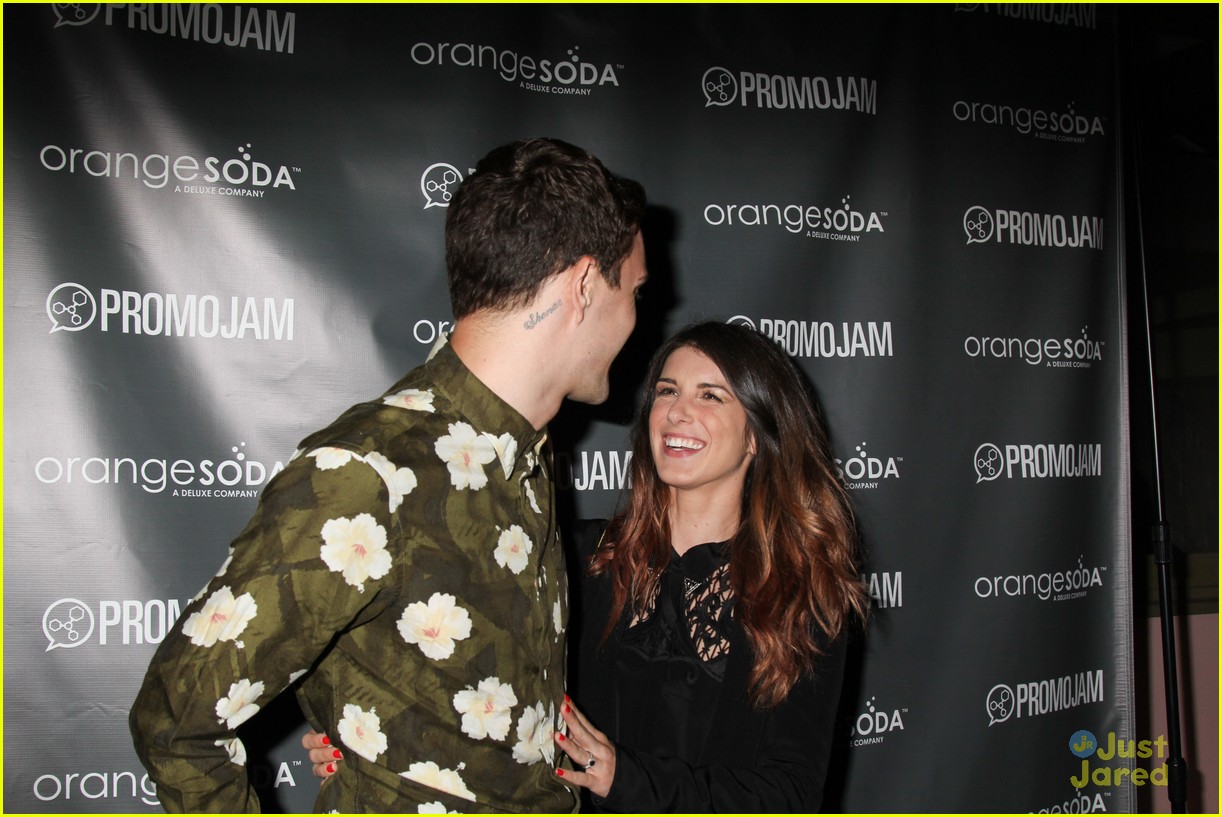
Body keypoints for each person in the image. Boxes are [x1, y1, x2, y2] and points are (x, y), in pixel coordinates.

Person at [129, 137, 647, 813]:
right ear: (582, 286)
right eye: (633, 291)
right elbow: (177, 719)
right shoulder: (370, 473)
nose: (638, 320)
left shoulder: (530, 456)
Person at [307, 321, 868, 811]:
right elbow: (463, 668)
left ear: (758, 435)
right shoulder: (576, 555)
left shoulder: (802, 592)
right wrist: (369, 734)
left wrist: (626, 779)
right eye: (667, 391)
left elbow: (790, 795)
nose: (677, 411)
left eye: (711, 397)